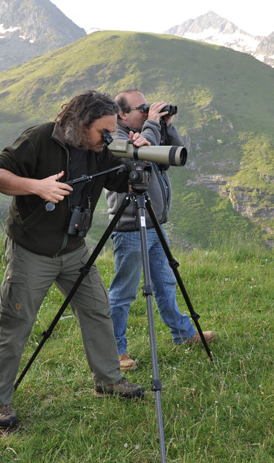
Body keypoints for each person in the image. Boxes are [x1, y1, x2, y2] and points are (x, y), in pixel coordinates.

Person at [0, 90, 150, 430]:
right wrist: (37, 186)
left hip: (74, 249)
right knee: (17, 323)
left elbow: (122, 181)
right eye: (103, 131)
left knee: (97, 310)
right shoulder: (40, 138)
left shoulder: (99, 149)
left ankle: (108, 380)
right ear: (81, 122)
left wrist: (138, 158)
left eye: (111, 131)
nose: (108, 138)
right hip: (32, 251)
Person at [106, 89, 216, 372]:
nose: (146, 112)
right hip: (130, 226)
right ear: (122, 114)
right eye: (141, 109)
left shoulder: (147, 131)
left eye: (148, 107)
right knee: (124, 292)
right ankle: (115, 351)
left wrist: (166, 126)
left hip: (155, 222)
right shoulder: (116, 139)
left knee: (165, 282)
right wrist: (153, 124)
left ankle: (183, 333)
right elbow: (137, 160)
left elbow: (171, 157)